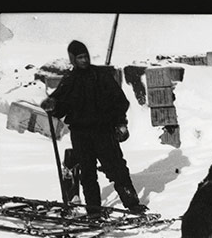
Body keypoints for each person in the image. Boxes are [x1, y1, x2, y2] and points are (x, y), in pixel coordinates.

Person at [41, 40, 147, 215]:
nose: (84, 60)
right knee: (88, 174)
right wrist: (52, 105)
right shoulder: (69, 80)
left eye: (86, 56)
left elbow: (120, 101)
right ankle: (94, 211)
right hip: (80, 134)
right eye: (80, 57)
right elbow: (61, 108)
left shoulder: (101, 76)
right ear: (73, 59)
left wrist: (120, 122)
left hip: (103, 132)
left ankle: (133, 205)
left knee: (117, 169)